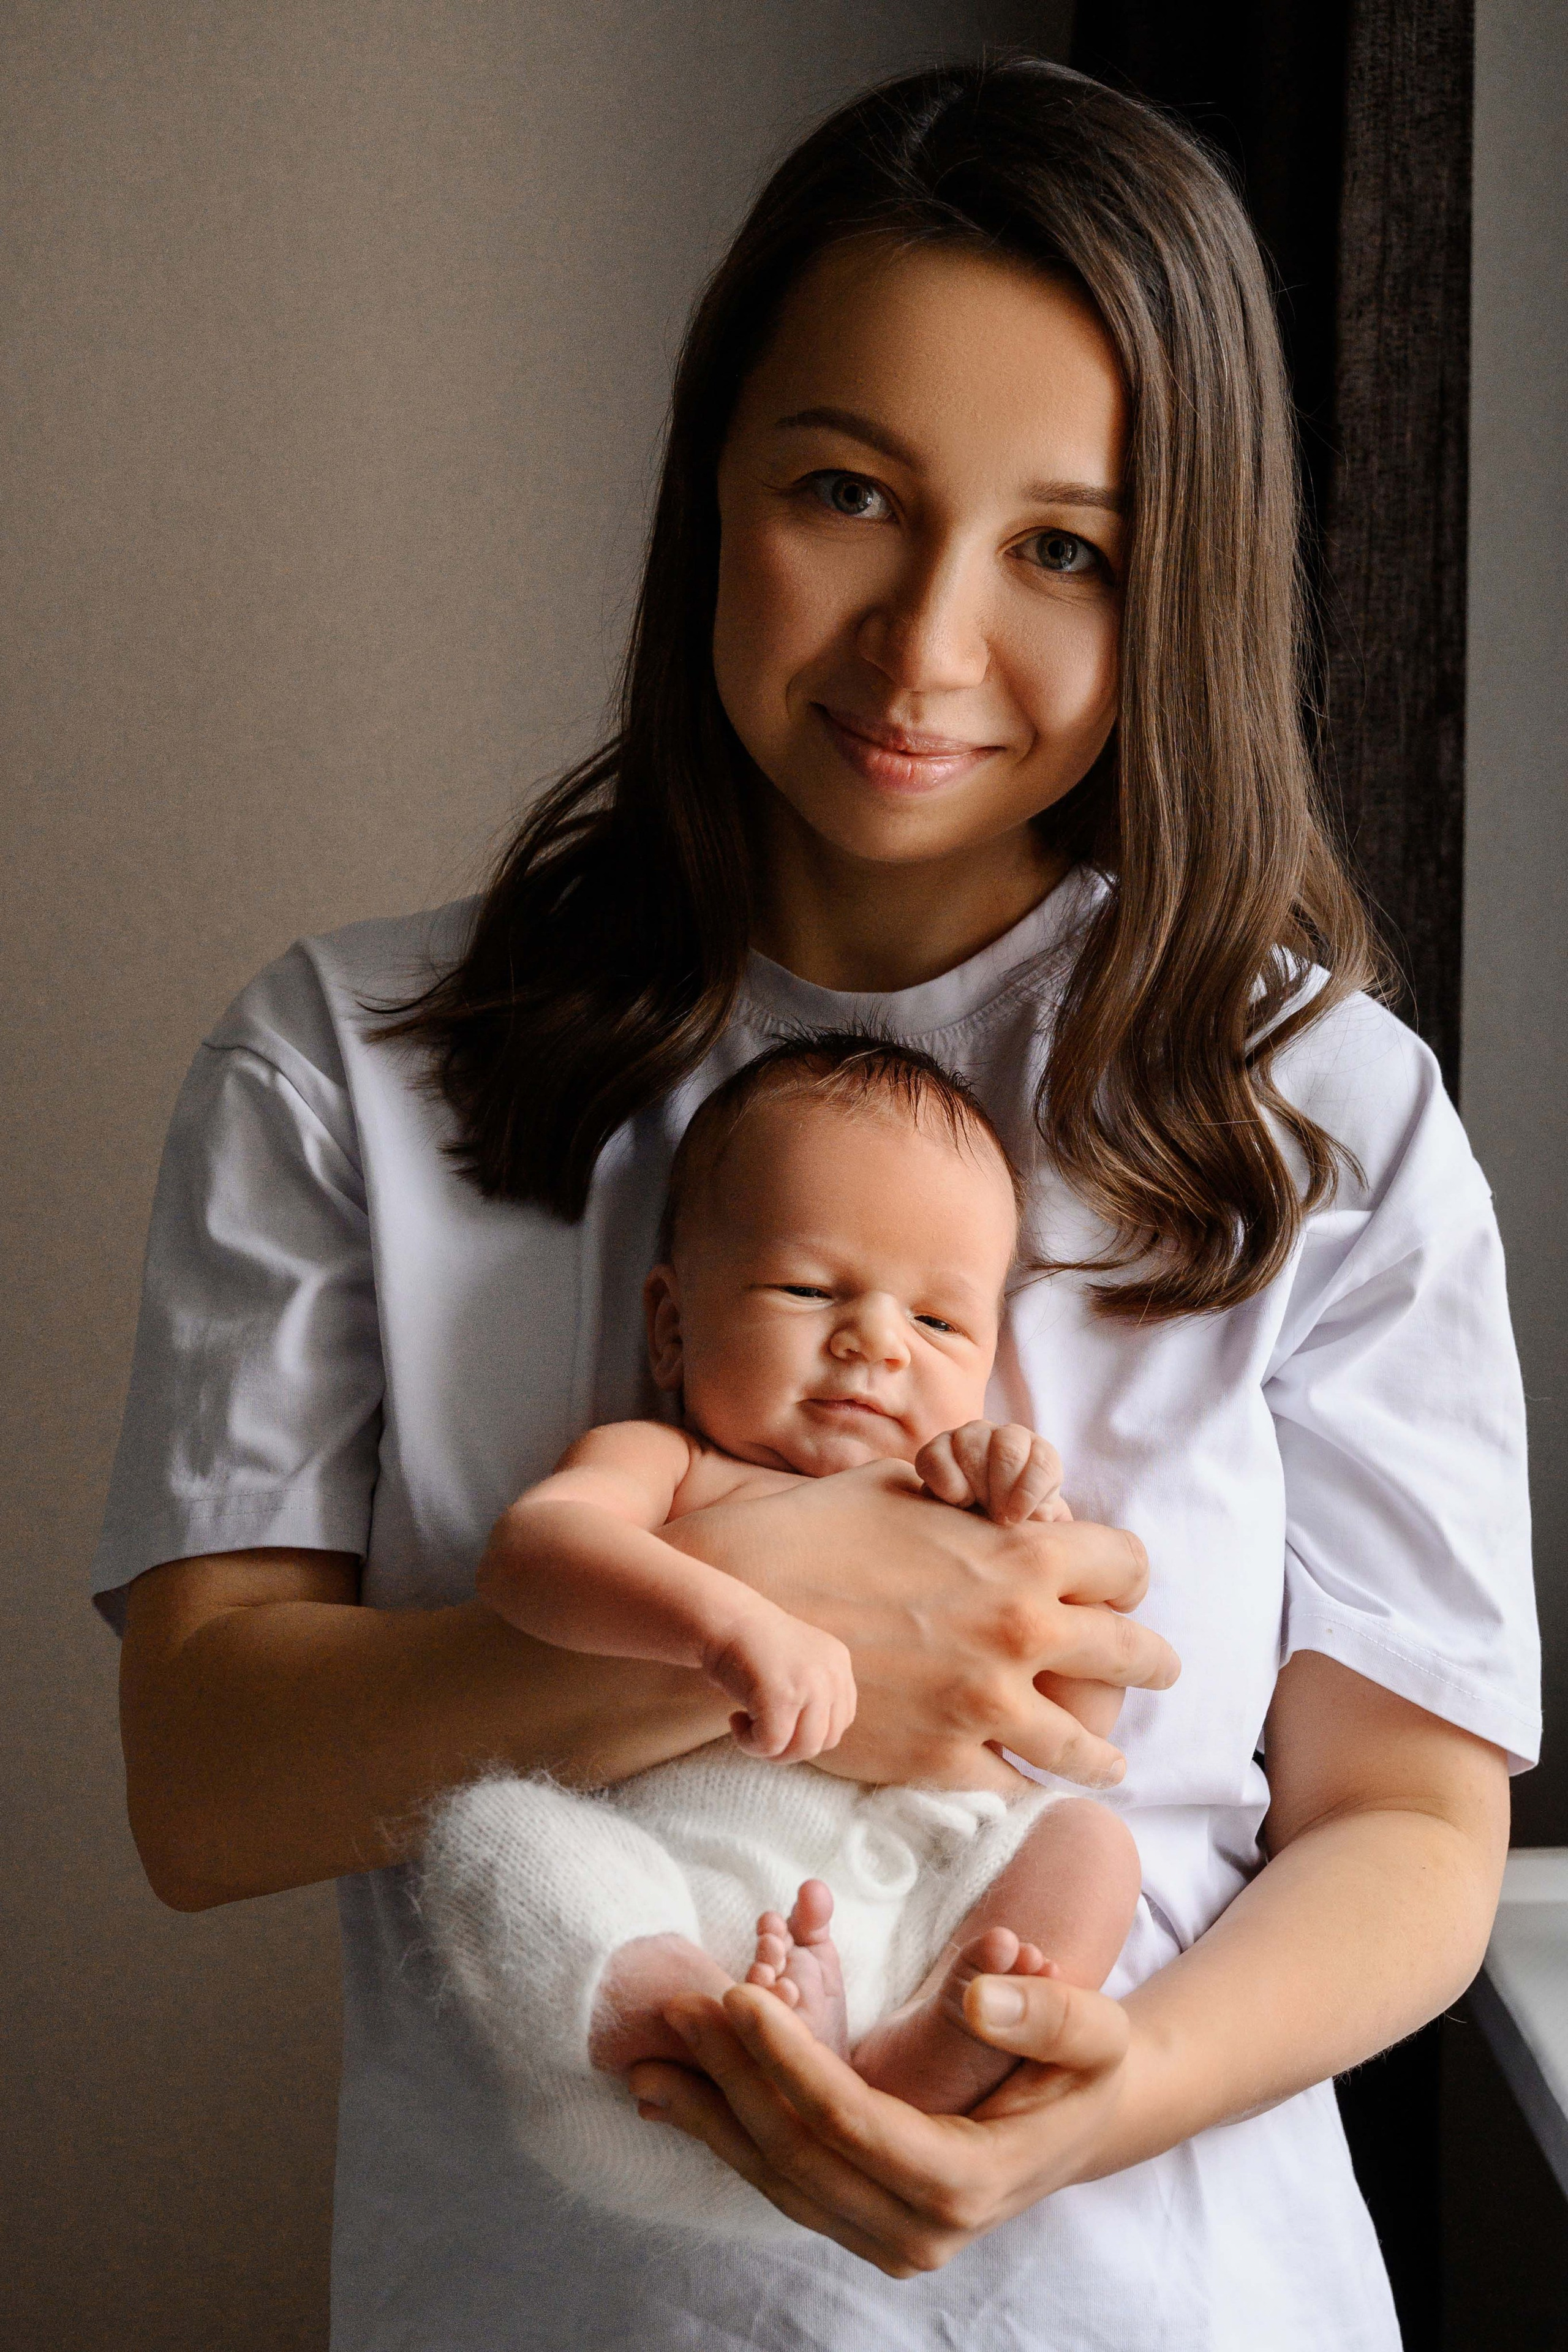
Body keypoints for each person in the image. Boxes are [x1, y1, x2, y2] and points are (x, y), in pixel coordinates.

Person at [99, 56, 1537, 2352]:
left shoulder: (1324, 1114)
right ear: (714, 493)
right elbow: (205, 1786)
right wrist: (767, 1616)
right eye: (851, 494)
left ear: (1185, 588)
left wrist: (1087, 2097)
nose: (926, 646)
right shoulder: (344, 1069)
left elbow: (1413, 1835)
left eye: (1067, 547)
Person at [420, 1035, 1143, 2237]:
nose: (874, 1340)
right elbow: (531, 1555)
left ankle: (907, 2062)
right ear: (669, 1327)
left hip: (906, 1910)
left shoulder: (959, 1512)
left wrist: (1026, 1521)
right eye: (810, 1291)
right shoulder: (673, 1467)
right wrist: (726, 1622)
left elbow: (1070, 1728)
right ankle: (709, 2028)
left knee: (1090, 1846)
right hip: (661, 1958)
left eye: (938, 1320)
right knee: (488, 1836)